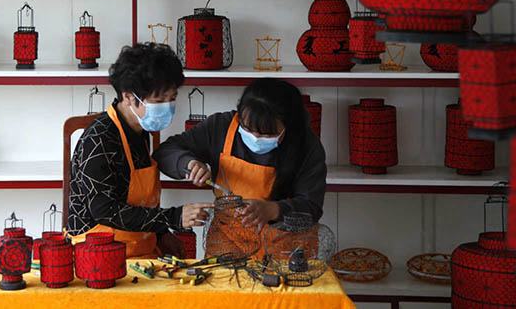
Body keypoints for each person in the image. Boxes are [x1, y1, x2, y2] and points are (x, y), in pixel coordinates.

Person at [66, 42, 211, 258]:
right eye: (159, 101)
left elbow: (139, 201)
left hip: (138, 248)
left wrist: (162, 234)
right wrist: (174, 217)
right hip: (98, 255)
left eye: (172, 99)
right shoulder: (98, 140)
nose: (167, 107)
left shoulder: (140, 130)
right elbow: (105, 211)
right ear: (128, 97)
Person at [153, 78, 326, 234]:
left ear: (288, 125)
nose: (255, 138)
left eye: (266, 134)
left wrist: (273, 210)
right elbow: (165, 151)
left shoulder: (306, 144)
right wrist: (188, 163)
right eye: (247, 129)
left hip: (286, 249)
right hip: (228, 245)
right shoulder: (220, 127)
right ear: (239, 115)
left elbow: (312, 207)